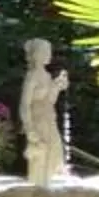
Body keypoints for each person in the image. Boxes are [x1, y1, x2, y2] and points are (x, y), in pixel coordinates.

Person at [19, 37, 68, 188]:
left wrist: (57, 86)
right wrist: (29, 129)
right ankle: (38, 188)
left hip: (49, 118)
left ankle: (48, 186)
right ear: (36, 55)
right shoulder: (32, 76)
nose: (49, 55)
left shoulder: (46, 76)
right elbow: (24, 104)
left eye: (49, 51)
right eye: (45, 51)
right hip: (37, 120)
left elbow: (49, 100)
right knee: (41, 156)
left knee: (55, 152)